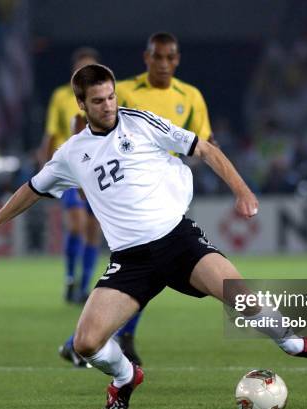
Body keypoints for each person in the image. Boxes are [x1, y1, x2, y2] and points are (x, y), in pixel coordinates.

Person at [0, 64, 307, 409]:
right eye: (98, 101)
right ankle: (125, 377)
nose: (108, 106)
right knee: (86, 343)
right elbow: (33, 189)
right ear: (81, 105)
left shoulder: (139, 123)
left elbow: (204, 148)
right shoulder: (72, 154)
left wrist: (242, 191)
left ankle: (294, 343)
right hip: (130, 260)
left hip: (177, 241)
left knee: (239, 297)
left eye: (110, 97)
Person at [60, 32, 215, 367]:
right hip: (126, 193)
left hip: (167, 193)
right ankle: (100, 333)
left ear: (177, 59)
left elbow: (205, 142)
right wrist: (85, 170)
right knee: (142, 265)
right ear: (147, 58)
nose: (164, 63)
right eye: (157, 57)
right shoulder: (125, 91)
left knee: (149, 268)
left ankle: (91, 338)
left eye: (170, 57)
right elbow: (82, 124)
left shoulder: (191, 96)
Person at [37, 47, 102, 305]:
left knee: (92, 229)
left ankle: (84, 287)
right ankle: (69, 278)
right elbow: (52, 133)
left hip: (97, 168)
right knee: (76, 225)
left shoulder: (105, 98)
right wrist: (46, 172)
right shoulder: (61, 96)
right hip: (70, 168)